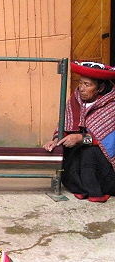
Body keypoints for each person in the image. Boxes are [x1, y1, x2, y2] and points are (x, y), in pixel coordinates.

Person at [43, 60, 115, 203]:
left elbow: (105, 142)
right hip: (82, 163)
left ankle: (97, 190)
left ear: (100, 88)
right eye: (80, 82)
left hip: (106, 169)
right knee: (68, 152)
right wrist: (57, 140)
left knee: (89, 152)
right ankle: (81, 188)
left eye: (87, 85)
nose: (81, 88)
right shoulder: (74, 100)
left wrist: (81, 139)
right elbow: (65, 126)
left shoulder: (111, 106)